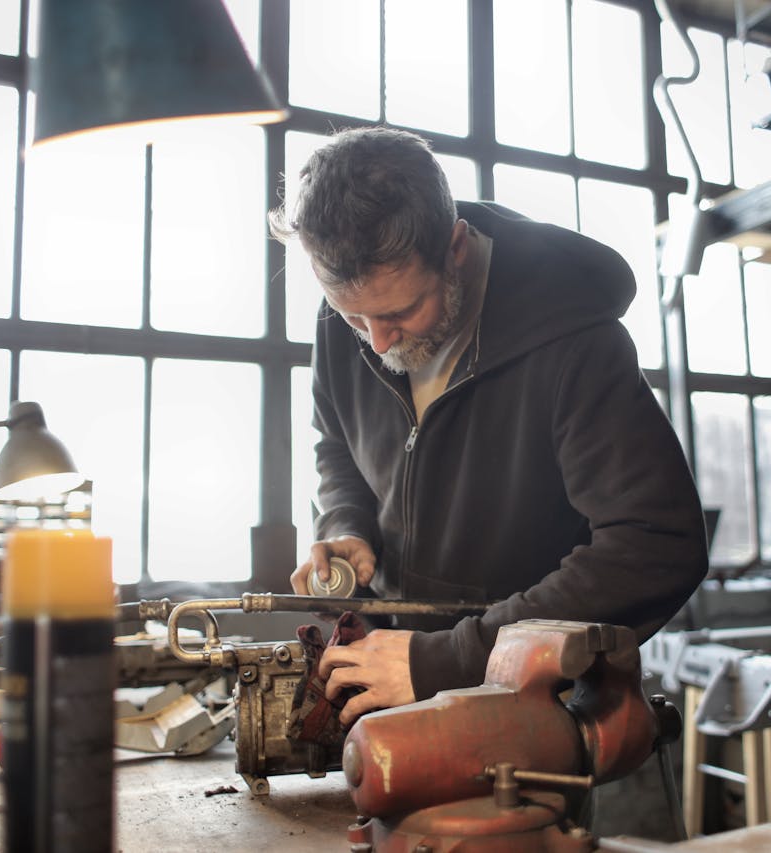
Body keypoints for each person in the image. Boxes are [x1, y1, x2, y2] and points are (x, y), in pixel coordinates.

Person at [269, 126, 708, 728]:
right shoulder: (348, 315)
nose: (375, 341)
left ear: (455, 248)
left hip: (532, 708)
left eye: (399, 312)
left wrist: (449, 659)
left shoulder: (575, 341)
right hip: (384, 678)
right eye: (352, 317)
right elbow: (338, 447)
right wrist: (347, 524)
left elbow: (654, 546)